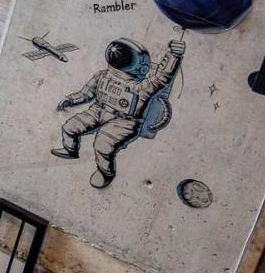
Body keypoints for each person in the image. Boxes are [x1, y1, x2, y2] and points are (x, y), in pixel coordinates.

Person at [51, 36, 185, 188]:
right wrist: (71, 99)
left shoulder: (140, 87)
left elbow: (163, 77)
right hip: (98, 110)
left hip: (124, 121)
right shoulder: (102, 76)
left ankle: (105, 173)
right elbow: (86, 93)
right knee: (70, 127)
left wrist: (175, 55)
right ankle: (70, 150)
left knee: (103, 144)